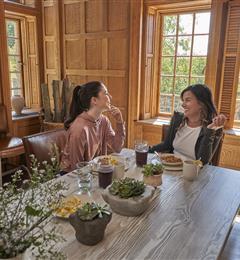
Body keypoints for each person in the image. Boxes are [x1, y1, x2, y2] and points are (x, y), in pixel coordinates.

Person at [149, 84, 226, 165]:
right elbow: (167, 145)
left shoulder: (214, 128)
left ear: (201, 103)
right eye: (183, 100)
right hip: (171, 168)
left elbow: (203, 162)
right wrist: (145, 151)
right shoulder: (177, 119)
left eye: (188, 100)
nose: (183, 104)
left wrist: (210, 129)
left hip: (195, 173)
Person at [61, 81, 125, 172]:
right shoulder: (79, 129)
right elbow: (77, 168)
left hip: (94, 171)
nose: (110, 97)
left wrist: (119, 122)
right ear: (94, 100)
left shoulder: (103, 121)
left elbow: (117, 148)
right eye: (106, 93)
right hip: (72, 176)